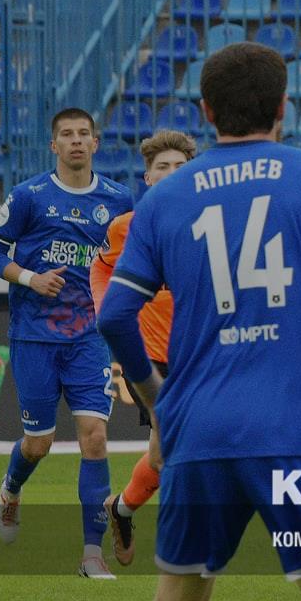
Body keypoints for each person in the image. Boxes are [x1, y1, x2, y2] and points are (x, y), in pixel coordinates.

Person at [97, 42, 301, 601]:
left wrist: (160, 401)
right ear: (283, 106)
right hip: (300, 424)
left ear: (205, 111)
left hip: (201, 428)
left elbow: (116, 315)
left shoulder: (164, 198)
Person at [0, 107, 135, 579]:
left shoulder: (118, 199)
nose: (76, 141)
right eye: (66, 134)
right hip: (34, 336)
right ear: (54, 145)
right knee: (39, 443)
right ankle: (11, 490)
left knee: (95, 437)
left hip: (88, 337)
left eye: (83, 134)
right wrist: (31, 278)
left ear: (95, 142)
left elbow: (128, 261)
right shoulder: (29, 196)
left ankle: (92, 555)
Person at [89, 130, 197, 566]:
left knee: (161, 452)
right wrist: (106, 309)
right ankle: (186, 545)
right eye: (162, 167)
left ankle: (122, 508)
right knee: (175, 449)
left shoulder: (214, 222)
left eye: (180, 167)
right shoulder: (125, 228)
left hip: (200, 350)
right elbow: (101, 269)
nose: (171, 174)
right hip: (150, 357)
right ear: (148, 177)